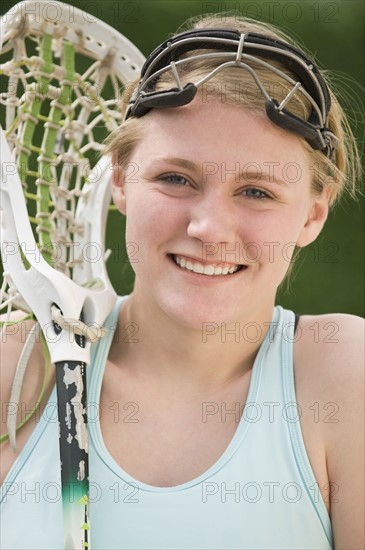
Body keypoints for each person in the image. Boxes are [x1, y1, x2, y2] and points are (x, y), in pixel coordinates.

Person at [1, 12, 364, 550]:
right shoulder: (16, 374)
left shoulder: (342, 373)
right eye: (175, 178)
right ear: (120, 182)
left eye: (257, 192)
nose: (208, 228)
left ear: (313, 215)